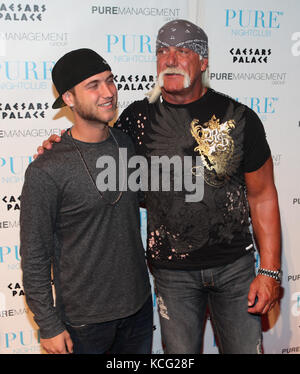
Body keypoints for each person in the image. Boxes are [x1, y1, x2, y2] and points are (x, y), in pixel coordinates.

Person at [36, 20, 281, 354]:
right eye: (163, 50)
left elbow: (263, 194)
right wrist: (55, 147)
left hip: (235, 270)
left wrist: (269, 271)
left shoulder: (239, 118)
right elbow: (91, 141)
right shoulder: (134, 121)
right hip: (172, 276)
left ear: (204, 61)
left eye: (184, 50)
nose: (171, 59)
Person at [20, 48, 152, 354]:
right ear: (69, 99)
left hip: (138, 310)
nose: (107, 92)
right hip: (84, 325)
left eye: (109, 81)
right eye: (92, 85)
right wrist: (49, 326)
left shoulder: (126, 143)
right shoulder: (46, 169)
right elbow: (35, 255)